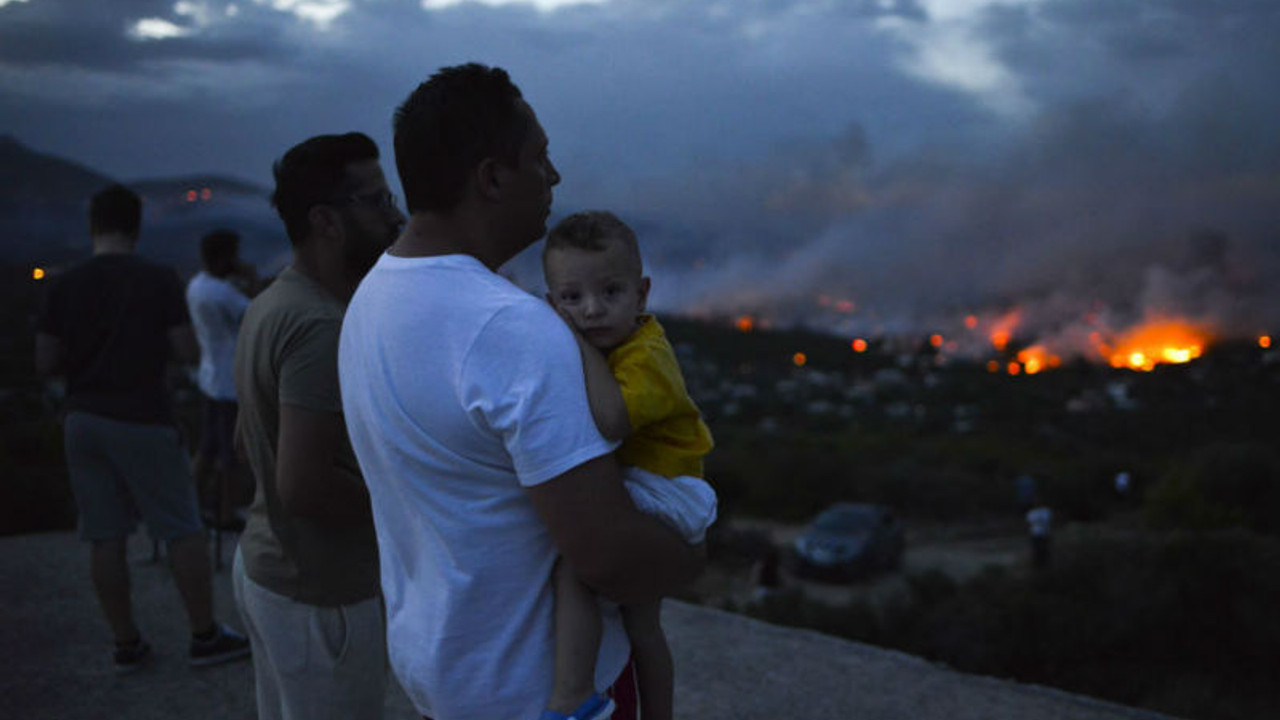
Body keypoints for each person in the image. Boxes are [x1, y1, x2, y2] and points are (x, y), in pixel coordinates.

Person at [338, 64, 704, 720]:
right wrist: (691, 554)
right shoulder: (512, 326)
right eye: (540, 157)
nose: (554, 177)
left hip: (442, 676)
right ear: (492, 177)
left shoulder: (373, 296)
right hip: (542, 695)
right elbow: (609, 555)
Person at [34, 184, 250, 673]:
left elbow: (45, 361)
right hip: (142, 415)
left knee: (104, 535)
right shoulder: (157, 279)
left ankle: (127, 644)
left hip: (82, 419)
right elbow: (186, 352)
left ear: (93, 227)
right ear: (136, 226)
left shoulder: (63, 285)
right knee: (181, 526)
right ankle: (204, 634)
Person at [232, 133, 404, 720]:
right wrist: (401, 499)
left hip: (268, 569)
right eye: (378, 202)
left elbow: (245, 442)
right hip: (322, 596)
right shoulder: (319, 326)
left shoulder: (270, 302)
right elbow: (303, 485)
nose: (397, 216)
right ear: (327, 222)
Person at [541, 210, 717, 720]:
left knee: (577, 565)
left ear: (641, 294)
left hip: (669, 489)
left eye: (610, 293)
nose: (592, 311)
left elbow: (613, 420)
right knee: (644, 626)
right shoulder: (617, 342)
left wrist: (568, 337)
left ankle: (572, 694)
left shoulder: (646, 355)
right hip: (658, 482)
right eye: (572, 299)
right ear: (554, 301)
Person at [186, 229, 252, 528]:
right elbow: (254, 313)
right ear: (224, 257)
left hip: (209, 377)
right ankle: (226, 513)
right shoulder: (224, 293)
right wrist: (250, 281)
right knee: (232, 455)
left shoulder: (197, 286)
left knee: (206, 449)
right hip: (230, 385)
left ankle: (192, 508)